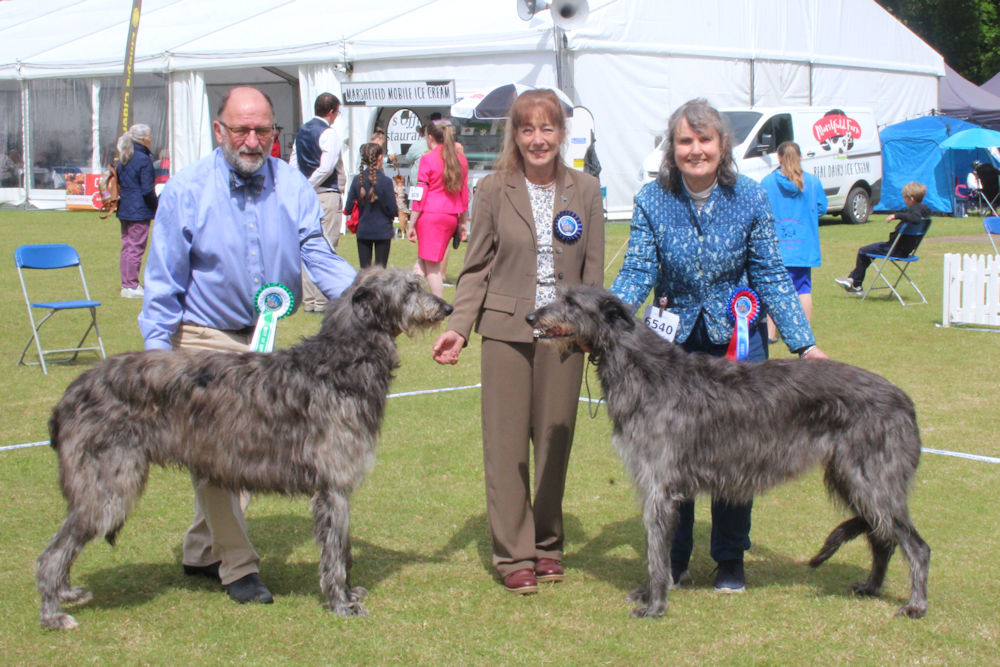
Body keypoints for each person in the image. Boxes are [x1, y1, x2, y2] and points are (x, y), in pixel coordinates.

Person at [138, 86, 357, 605]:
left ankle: (199, 550)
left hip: (261, 338)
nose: (253, 140)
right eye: (242, 130)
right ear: (221, 131)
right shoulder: (187, 190)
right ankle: (239, 567)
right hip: (201, 338)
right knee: (216, 453)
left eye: (263, 130)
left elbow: (316, 254)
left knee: (245, 459)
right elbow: (164, 279)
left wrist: (364, 297)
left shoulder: (293, 187)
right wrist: (157, 356)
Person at [610, 98, 827, 593]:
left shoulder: (751, 197)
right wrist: (608, 319)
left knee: (737, 453)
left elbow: (771, 275)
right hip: (672, 352)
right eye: (685, 141)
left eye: (704, 140)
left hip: (738, 341)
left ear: (722, 145)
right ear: (673, 148)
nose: (695, 150)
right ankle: (677, 557)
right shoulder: (652, 199)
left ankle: (730, 558)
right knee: (674, 457)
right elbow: (639, 269)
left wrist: (804, 345)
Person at [432, 89, 605, 595]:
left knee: (555, 444)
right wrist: (458, 327)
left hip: (565, 337)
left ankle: (547, 545)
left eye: (547, 128)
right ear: (515, 134)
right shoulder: (491, 189)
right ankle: (514, 555)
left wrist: (592, 328)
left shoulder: (588, 190)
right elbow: (476, 268)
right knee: (506, 449)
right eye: (527, 129)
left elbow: (592, 270)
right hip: (505, 333)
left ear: (561, 133)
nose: (537, 139)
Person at [760, 141, 827, 341]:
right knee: (803, 290)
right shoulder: (813, 182)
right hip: (803, 247)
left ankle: (770, 334)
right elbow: (822, 207)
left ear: (779, 158)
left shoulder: (767, 182)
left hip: (777, 247)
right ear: (800, 157)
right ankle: (804, 332)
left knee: (773, 291)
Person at [290, 92, 344, 312]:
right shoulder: (329, 133)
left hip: (305, 196)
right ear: (331, 111)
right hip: (323, 193)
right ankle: (321, 300)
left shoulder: (302, 131)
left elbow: (293, 161)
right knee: (326, 245)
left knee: (307, 245)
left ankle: (311, 300)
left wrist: (298, 186)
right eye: (337, 113)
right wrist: (308, 185)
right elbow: (326, 166)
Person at [406, 120, 470, 297]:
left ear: (430, 138)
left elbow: (420, 193)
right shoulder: (461, 160)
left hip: (430, 215)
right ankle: (412, 295)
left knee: (432, 266)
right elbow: (464, 193)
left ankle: (437, 304)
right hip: (450, 216)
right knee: (423, 259)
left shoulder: (427, 159)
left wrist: (411, 223)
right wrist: (463, 222)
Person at [835, 181, 931, 294]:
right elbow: (915, 216)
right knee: (869, 252)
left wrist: (896, 216)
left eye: (905, 198)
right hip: (905, 250)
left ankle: (856, 284)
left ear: (911, 198)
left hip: (895, 249)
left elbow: (915, 219)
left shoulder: (916, 212)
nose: (904, 200)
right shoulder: (925, 210)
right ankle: (853, 279)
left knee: (863, 251)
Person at [114, 124, 158, 298]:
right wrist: (156, 205)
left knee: (127, 246)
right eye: (149, 136)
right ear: (143, 139)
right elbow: (147, 189)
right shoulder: (143, 159)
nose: (151, 139)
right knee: (135, 247)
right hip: (138, 209)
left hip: (125, 206)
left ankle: (127, 283)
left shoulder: (124, 156)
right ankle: (131, 285)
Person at [344, 142, 398, 268]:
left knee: (365, 271)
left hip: (364, 230)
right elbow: (393, 210)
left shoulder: (358, 180)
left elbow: (348, 208)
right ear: (380, 158)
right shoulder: (386, 182)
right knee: (380, 271)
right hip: (382, 230)